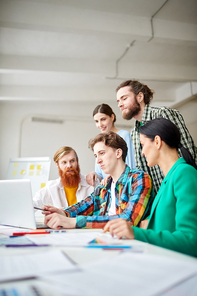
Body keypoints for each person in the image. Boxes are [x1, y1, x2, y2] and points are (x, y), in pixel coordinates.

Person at [104, 118, 197, 257]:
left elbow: (191, 240)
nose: (142, 152)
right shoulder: (169, 179)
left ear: (158, 142)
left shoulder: (184, 173)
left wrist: (136, 233)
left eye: (142, 144)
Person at [42, 131, 154, 229]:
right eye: (96, 156)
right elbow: (84, 205)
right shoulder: (104, 186)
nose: (98, 161)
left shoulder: (139, 179)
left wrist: (73, 222)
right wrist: (63, 213)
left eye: (102, 153)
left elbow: (128, 220)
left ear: (118, 153)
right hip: (105, 238)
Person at [116, 80, 197, 195]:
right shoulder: (134, 132)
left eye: (124, 98)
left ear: (139, 97)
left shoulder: (163, 114)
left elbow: (187, 151)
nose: (119, 104)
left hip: (183, 188)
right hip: (162, 196)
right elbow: (143, 170)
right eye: (118, 101)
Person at [86, 103, 136, 186]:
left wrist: (112, 176)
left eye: (103, 119)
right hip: (109, 188)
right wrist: (94, 174)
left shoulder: (124, 135)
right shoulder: (99, 142)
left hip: (124, 185)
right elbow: (100, 173)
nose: (100, 125)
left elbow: (131, 164)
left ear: (112, 117)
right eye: (96, 121)